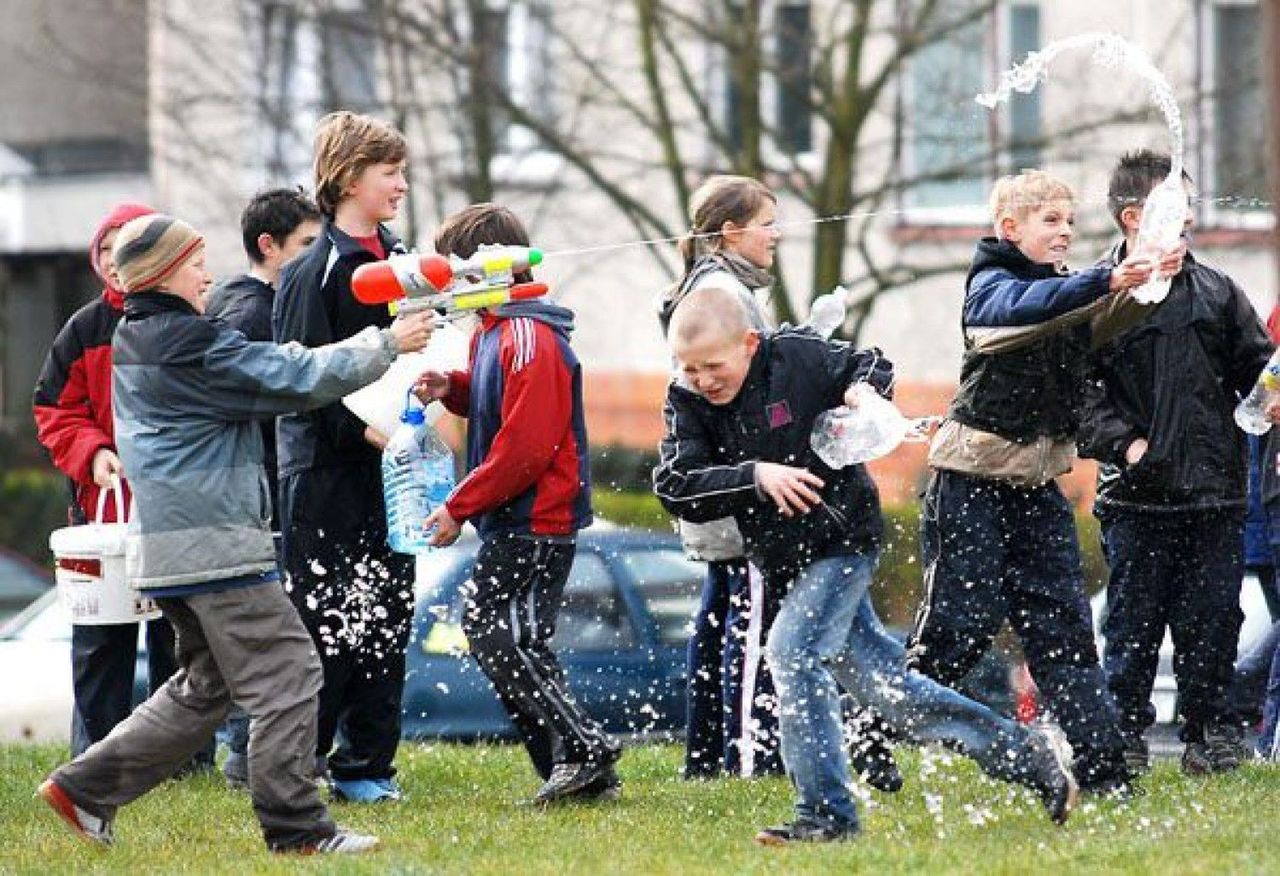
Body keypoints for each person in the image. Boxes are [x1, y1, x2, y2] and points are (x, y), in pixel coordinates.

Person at [36, 212, 435, 853]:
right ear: (165, 273)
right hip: (213, 547)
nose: (207, 273)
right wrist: (387, 344)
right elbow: (294, 375)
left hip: (173, 550)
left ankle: (85, 789)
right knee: (291, 670)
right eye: (195, 262)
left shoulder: (146, 335)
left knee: (206, 688)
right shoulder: (187, 344)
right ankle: (298, 829)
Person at [654, 285, 1082, 845]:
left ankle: (826, 815)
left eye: (713, 366)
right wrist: (755, 475)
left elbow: (869, 360)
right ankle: (1029, 759)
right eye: (689, 370)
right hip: (786, 560)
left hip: (842, 541)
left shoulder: (796, 357)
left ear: (749, 344)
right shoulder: (687, 402)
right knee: (890, 693)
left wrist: (862, 393)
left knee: (792, 653)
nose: (703, 380)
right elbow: (676, 484)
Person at [905, 169, 1161, 798]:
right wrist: (1106, 277)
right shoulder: (989, 287)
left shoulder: (1062, 290)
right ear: (1009, 228)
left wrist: (1149, 268)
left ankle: (1105, 774)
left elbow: (1105, 311)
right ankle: (870, 731)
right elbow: (1018, 313)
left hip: (1036, 491)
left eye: (1071, 222)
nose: (1066, 231)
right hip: (969, 484)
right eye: (1051, 220)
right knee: (957, 630)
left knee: (1066, 634)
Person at [413, 203, 621, 804]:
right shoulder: (495, 333)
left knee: (498, 632)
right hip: (514, 517)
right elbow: (498, 405)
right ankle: (574, 766)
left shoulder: (528, 334)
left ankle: (582, 750)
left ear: (488, 270)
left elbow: (527, 445)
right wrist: (453, 388)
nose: (447, 286)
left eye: (456, 273)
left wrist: (458, 503)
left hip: (537, 519)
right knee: (512, 635)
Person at [1077, 150, 1273, 776]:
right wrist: (1126, 446)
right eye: (1173, 205)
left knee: (1213, 618)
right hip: (1137, 496)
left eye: (1189, 203)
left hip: (1216, 493)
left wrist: (1268, 399)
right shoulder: (1103, 300)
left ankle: (1211, 734)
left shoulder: (1217, 293)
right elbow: (1077, 393)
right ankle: (1125, 735)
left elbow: (1257, 370)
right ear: (1132, 218)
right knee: (1134, 621)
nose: (1188, 215)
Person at [273, 111, 417, 803]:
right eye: (391, 173)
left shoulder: (400, 256)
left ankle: (367, 765)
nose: (403, 185)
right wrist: (369, 434)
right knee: (326, 624)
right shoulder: (312, 272)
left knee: (387, 615)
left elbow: (416, 361)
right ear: (351, 176)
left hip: (391, 471)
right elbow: (300, 384)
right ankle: (296, 768)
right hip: (325, 477)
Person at [32, 202, 201, 765]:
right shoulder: (83, 329)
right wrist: (94, 453)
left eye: (124, 247)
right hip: (102, 512)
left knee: (178, 633)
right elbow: (55, 408)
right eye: (104, 249)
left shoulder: (189, 320)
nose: (112, 259)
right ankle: (97, 755)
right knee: (102, 637)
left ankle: (180, 755)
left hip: (173, 507)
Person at [656, 174, 785, 782]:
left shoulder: (714, 284)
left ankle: (706, 760)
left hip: (717, 484)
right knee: (750, 626)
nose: (777, 234)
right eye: (767, 222)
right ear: (730, 232)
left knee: (718, 622)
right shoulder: (719, 291)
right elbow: (730, 397)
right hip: (733, 489)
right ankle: (749, 759)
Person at [204, 187, 322, 789]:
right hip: (256, 503)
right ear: (267, 246)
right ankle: (249, 763)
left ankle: (249, 760)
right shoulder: (252, 316)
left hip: (248, 501)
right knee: (267, 645)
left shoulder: (233, 304)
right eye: (306, 245)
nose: (316, 255)